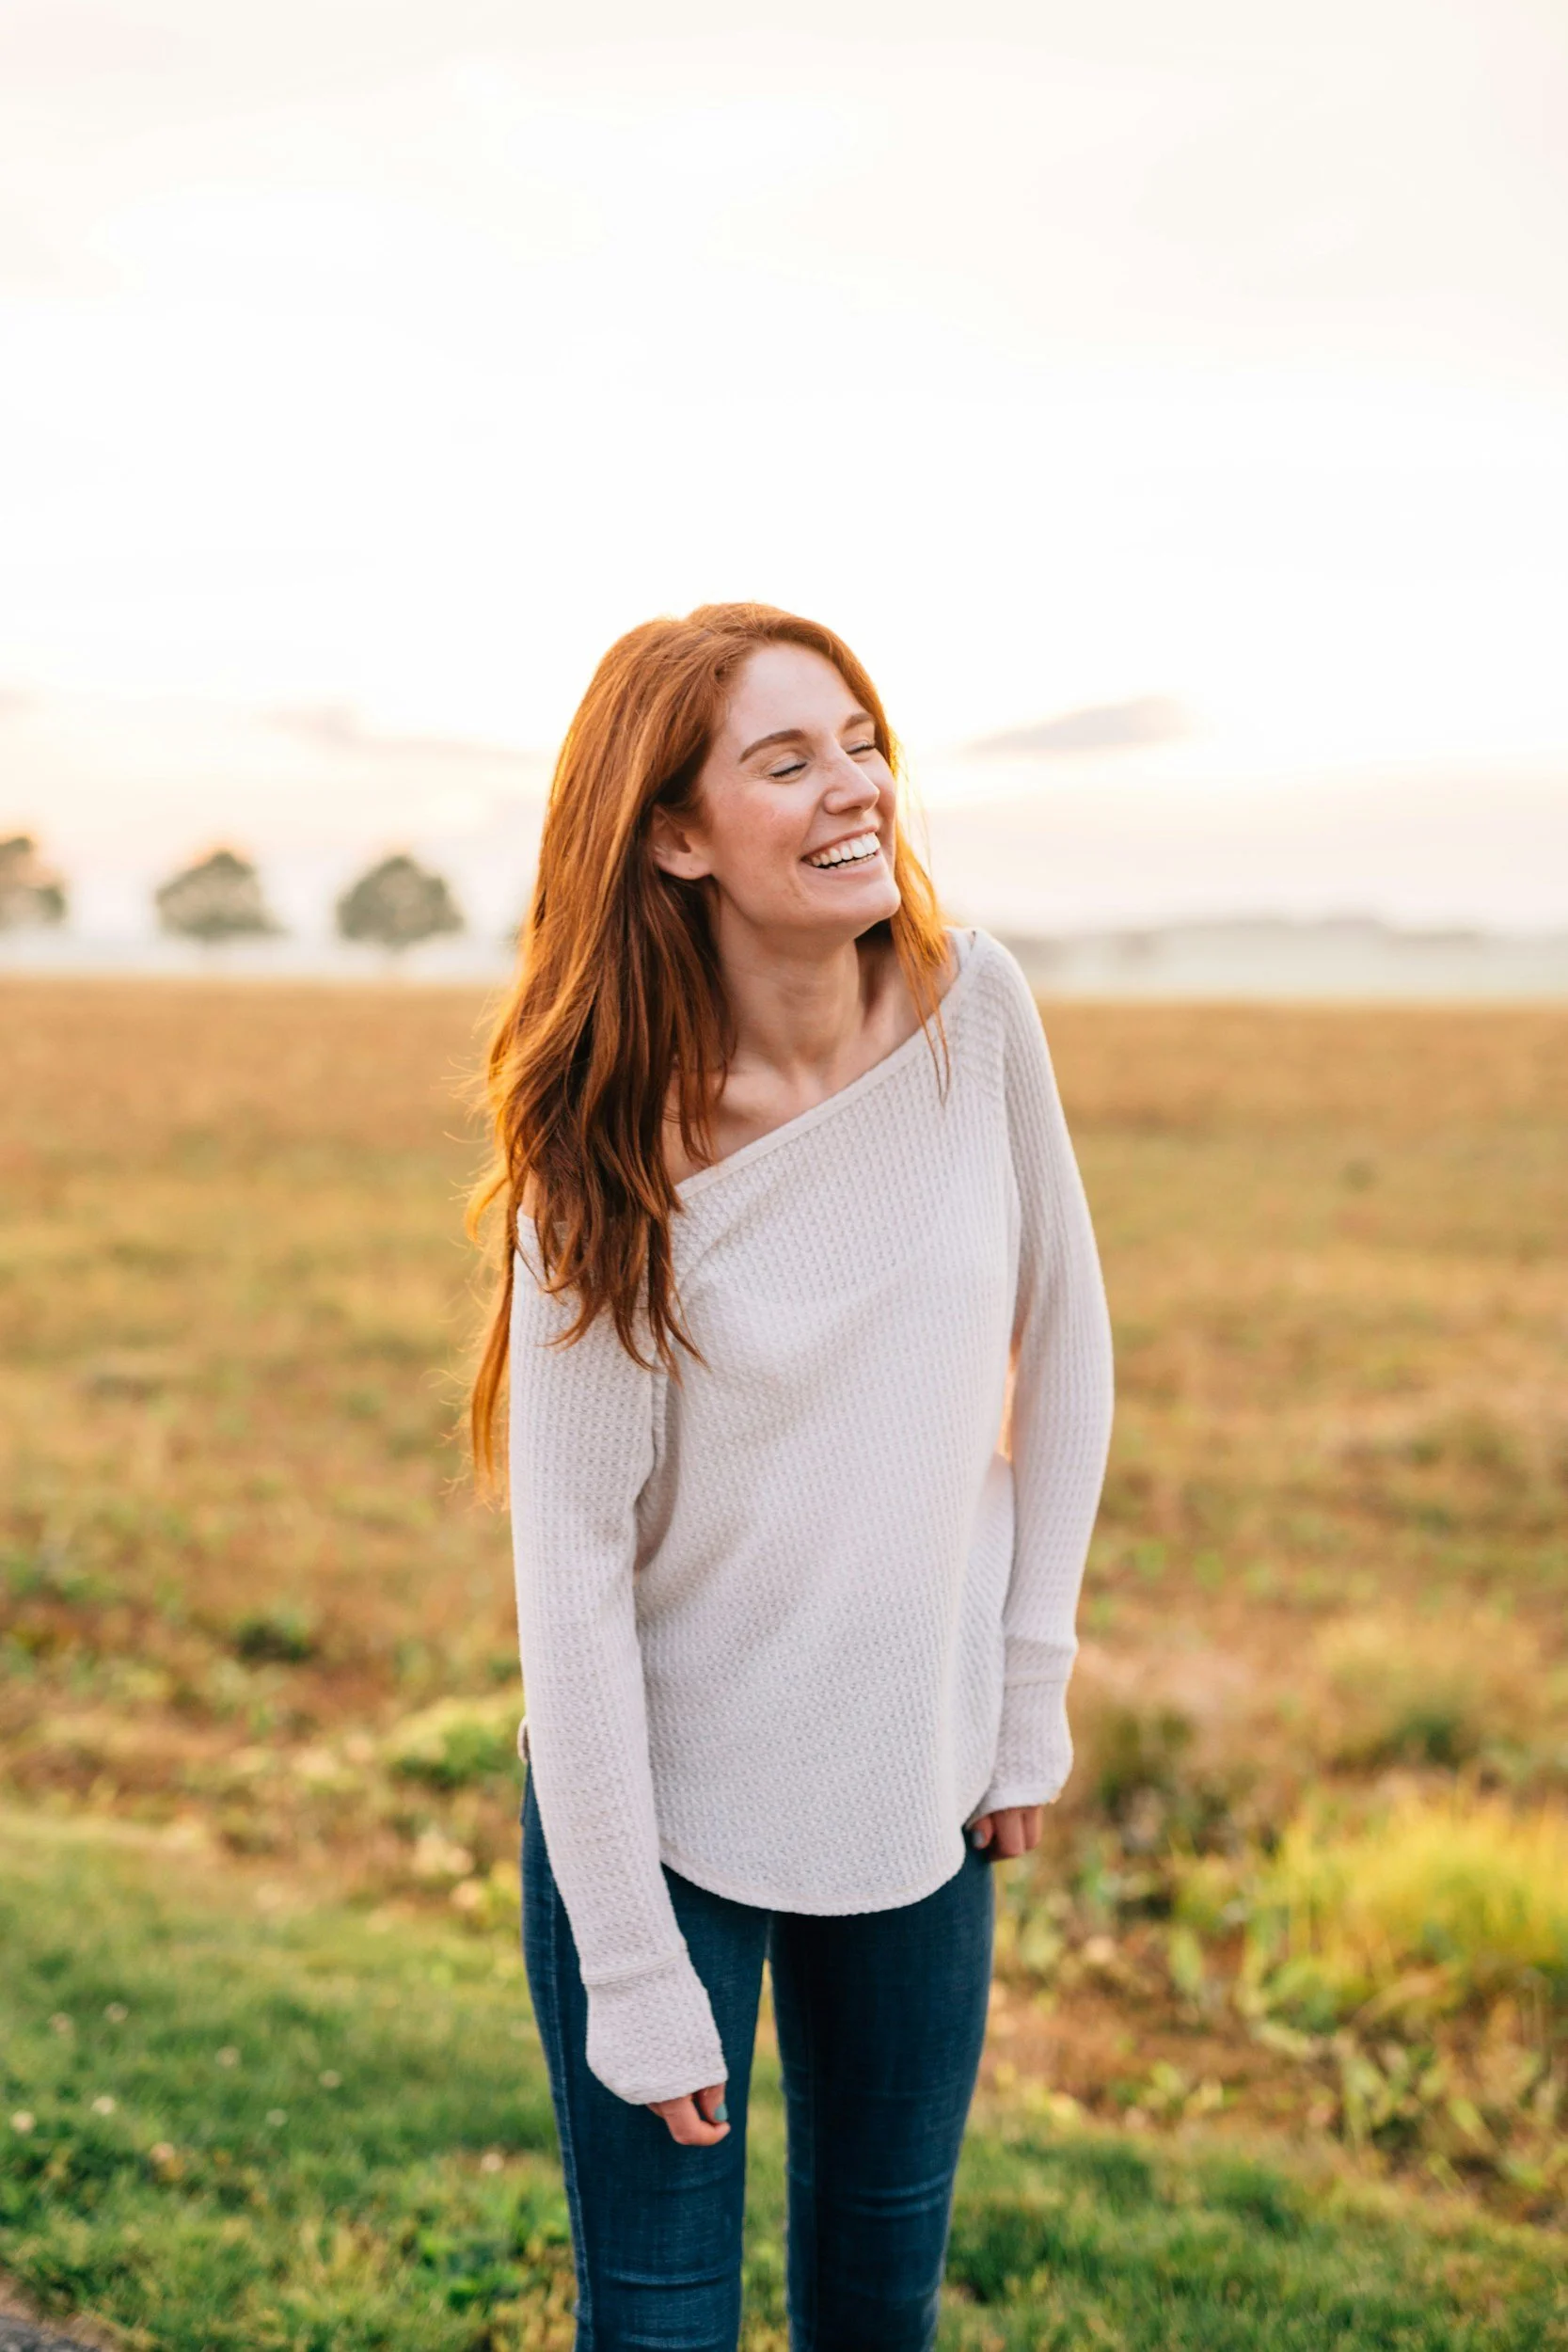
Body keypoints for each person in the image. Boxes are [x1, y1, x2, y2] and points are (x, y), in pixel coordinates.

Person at [468, 602, 1115, 2352]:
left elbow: (1067, 1351)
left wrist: (1025, 1694)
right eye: (785, 760)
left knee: (876, 2303)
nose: (855, 789)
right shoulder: (601, 1153)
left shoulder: (974, 1010)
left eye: (859, 740)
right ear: (673, 837)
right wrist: (626, 1958)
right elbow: (574, 1576)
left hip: (918, 1780)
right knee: (661, 2323)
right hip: (659, 1813)